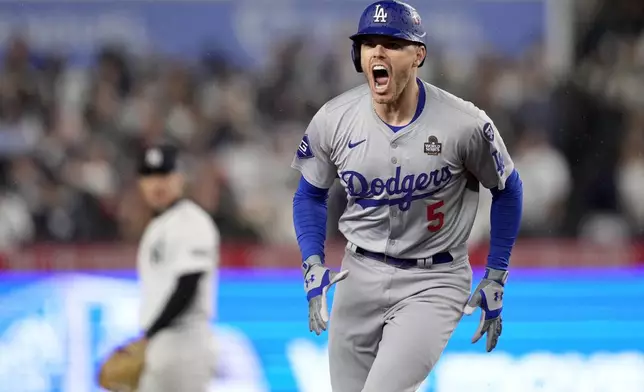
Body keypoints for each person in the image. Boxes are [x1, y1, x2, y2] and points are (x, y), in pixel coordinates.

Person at [290, 1, 524, 391]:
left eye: (392, 44)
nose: (378, 52)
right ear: (357, 55)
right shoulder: (333, 119)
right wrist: (311, 261)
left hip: (433, 280)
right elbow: (309, 194)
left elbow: (508, 188)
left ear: (418, 55)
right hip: (357, 272)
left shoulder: (464, 123)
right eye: (369, 44)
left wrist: (497, 272)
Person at [135, 143, 220, 392]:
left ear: (179, 179)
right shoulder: (158, 225)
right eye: (149, 176)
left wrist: (151, 332)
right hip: (162, 342)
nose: (156, 184)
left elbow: (188, 285)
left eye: (163, 175)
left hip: (185, 342)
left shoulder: (191, 220)